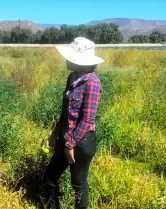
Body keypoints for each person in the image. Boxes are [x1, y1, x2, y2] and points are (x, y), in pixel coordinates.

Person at [43, 37, 104, 209]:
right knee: (50, 176)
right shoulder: (72, 77)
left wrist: (70, 144)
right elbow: (65, 112)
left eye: (69, 57)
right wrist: (54, 134)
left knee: (78, 185)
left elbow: (87, 119)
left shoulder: (92, 83)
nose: (66, 60)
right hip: (65, 137)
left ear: (79, 61)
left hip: (82, 141)